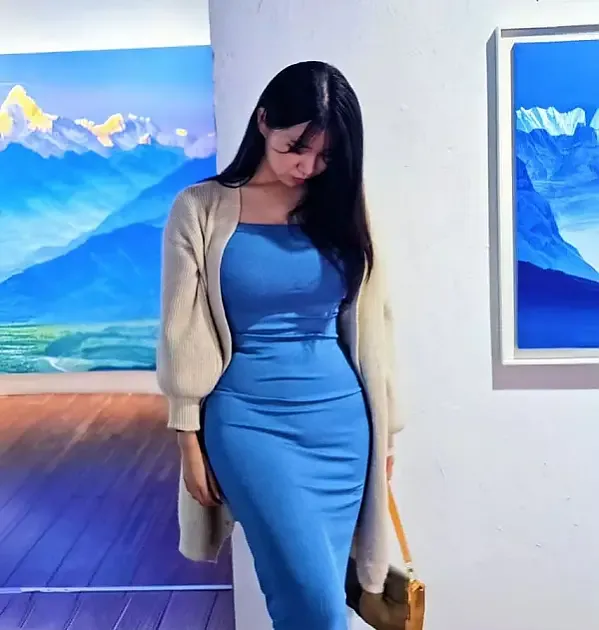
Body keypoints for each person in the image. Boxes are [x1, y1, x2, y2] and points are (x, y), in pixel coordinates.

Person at [157, 60, 403, 630]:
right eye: (297, 147)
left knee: (320, 601)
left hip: (342, 428)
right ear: (264, 121)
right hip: (249, 425)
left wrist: (387, 431)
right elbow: (180, 331)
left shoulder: (343, 205)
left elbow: (376, 323)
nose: (308, 167)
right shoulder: (200, 209)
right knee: (314, 608)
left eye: (325, 156)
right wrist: (188, 438)